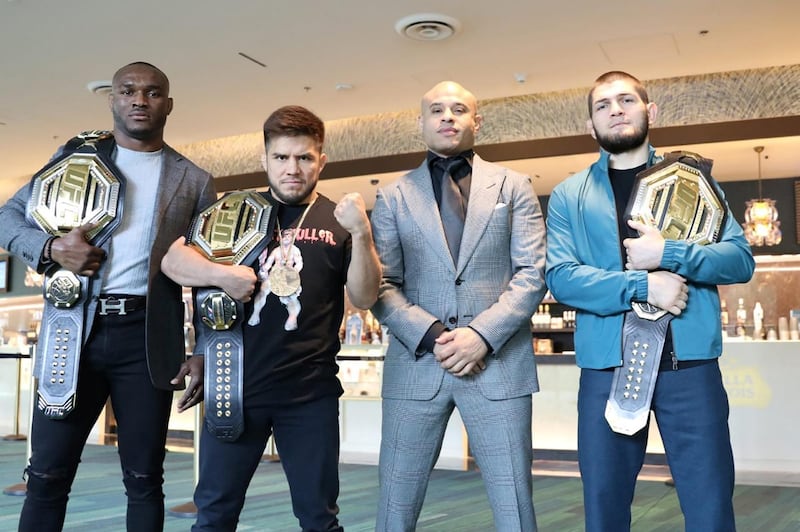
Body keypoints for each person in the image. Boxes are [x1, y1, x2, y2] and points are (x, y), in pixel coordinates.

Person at [0, 61, 217, 531]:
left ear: (169, 104)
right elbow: (8, 216)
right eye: (129, 90)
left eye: (153, 92)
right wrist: (51, 248)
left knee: (144, 480)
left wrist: (203, 349)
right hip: (72, 333)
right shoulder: (75, 156)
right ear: (113, 99)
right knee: (46, 476)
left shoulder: (195, 180)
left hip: (147, 341)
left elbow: (207, 275)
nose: (140, 99)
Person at [545, 71, 755, 531]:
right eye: (603, 105)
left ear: (650, 111)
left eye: (626, 100)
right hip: (607, 369)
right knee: (603, 511)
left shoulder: (694, 179)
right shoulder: (568, 196)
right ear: (591, 125)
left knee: (711, 509)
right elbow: (561, 279)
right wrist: (642, 285)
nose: (615, 110)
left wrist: (669, 254)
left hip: (690, 370)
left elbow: (739, 260)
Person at [160, 105, 381, 531]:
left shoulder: (338, 222)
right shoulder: (232, 213)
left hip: (309, 393)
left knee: (319, 518)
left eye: (303, 157)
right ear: (265, 160)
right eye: (281, 158)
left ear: (321, 160)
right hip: (236, 386)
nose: (292, 169)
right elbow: (173, 261)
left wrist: (362, 233)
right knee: (214, 516)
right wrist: (223, 275)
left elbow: (365, 296)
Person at [370, 81, 547, 531]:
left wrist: (480, 336)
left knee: (515, 509)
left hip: (499, 365)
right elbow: (382, 285)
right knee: (395, 506)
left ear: (476, 121)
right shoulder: (392, 197)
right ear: (422, 123)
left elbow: (531, 274)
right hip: (415, 368)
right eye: (436, 109)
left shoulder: (515, 185)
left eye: (458, 109)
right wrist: (432, 336)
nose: (447, 116)